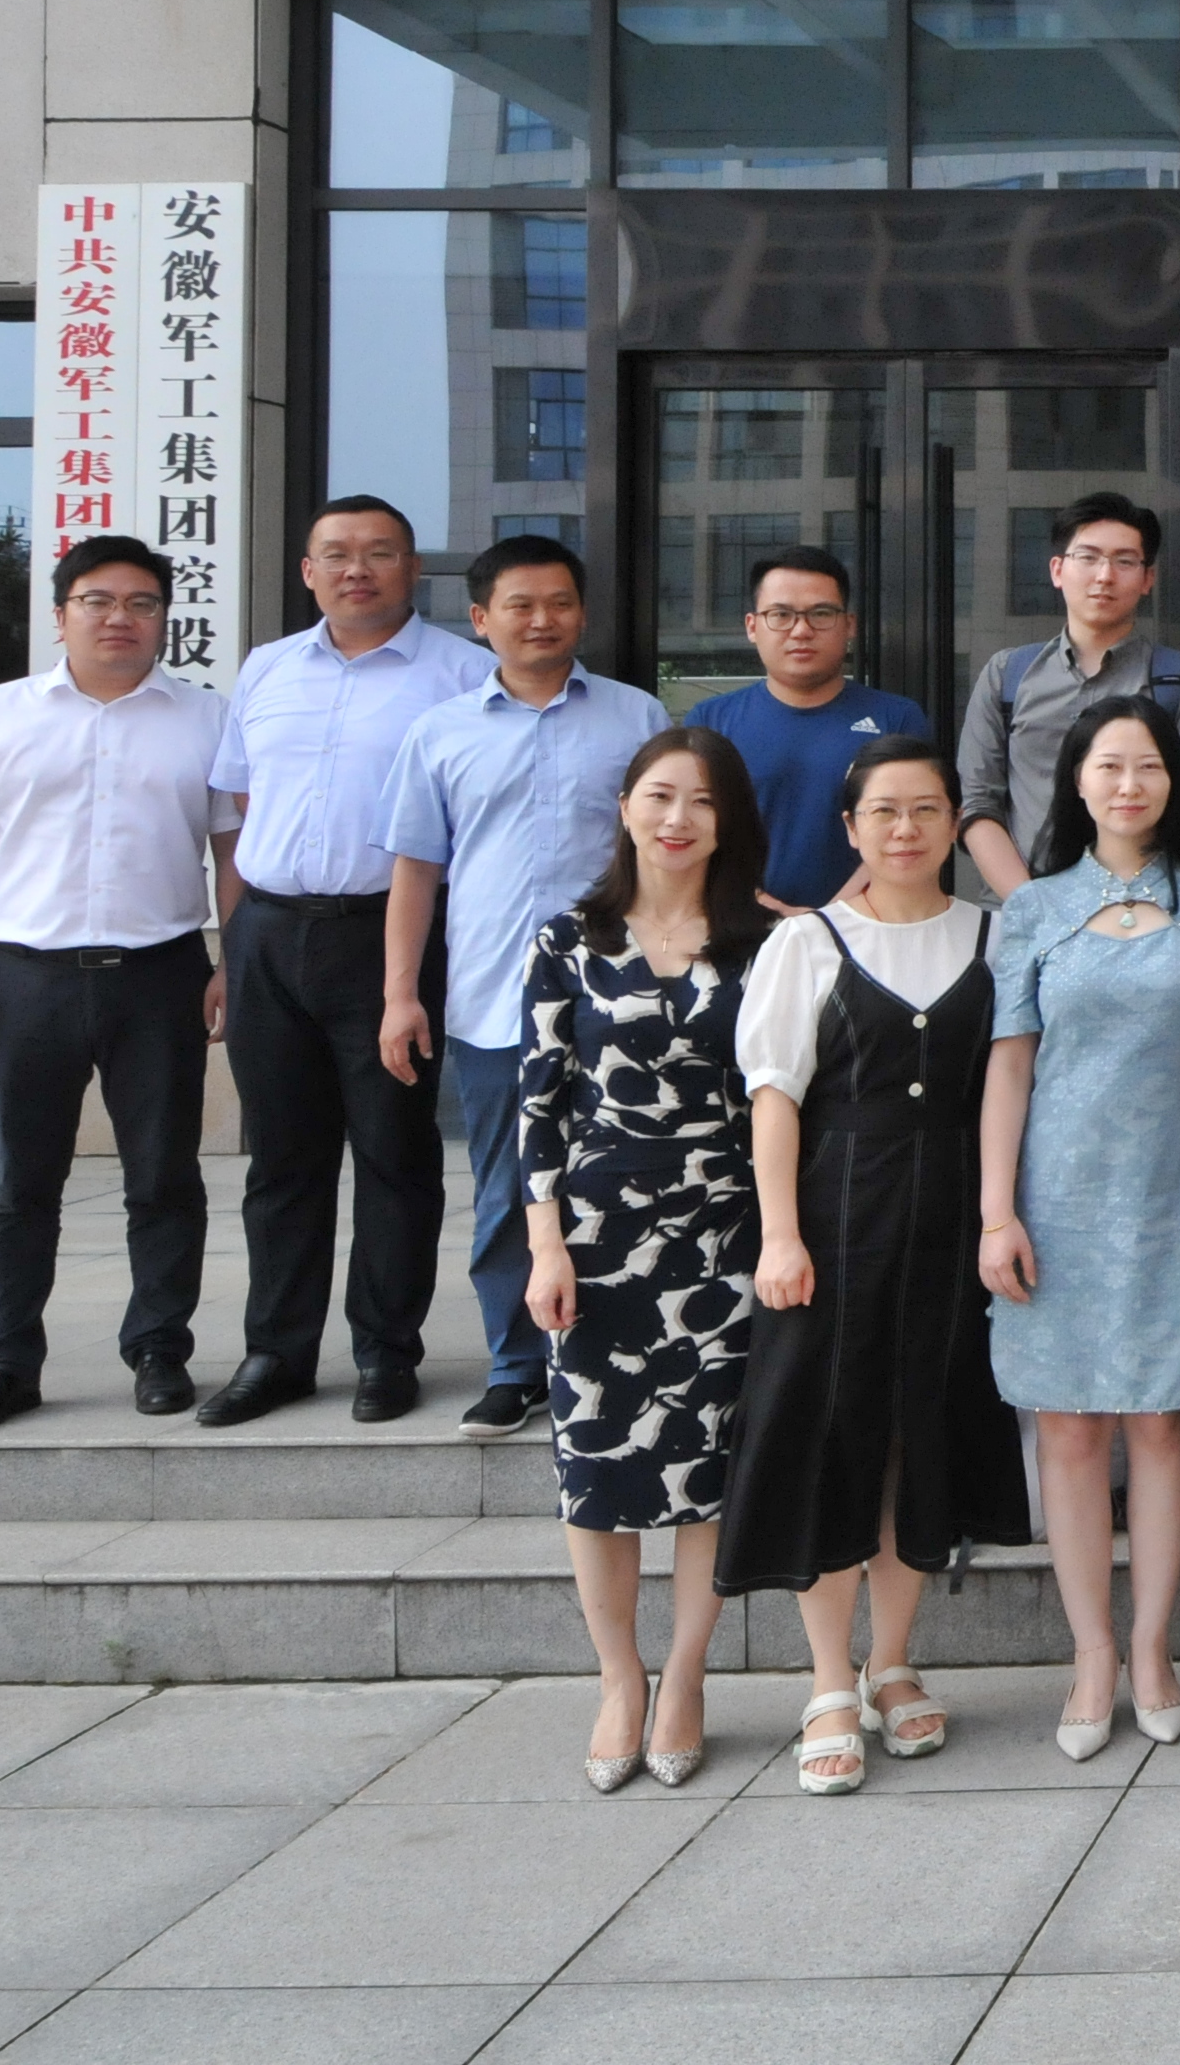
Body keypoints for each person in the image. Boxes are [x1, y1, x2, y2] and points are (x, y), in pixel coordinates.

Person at [719, 741, 1031, 1793]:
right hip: (833, 1223)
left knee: (919, 1439)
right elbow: (774, 1098)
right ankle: (826, 1681)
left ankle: (892, 1662)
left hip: (951, 1225)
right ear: (850, 828)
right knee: (830, 1437)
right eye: (885, 811)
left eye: (927, 809)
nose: (906, 829)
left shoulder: (993, 934)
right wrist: (779, 1235)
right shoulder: (806, 942)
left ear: (955, 826)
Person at [979, 699, 1180, 1758]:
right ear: (1077, 781)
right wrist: (996, 1211)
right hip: (1056, 1195)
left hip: (1179, 1191)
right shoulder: (1032, 907)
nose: (1129, 784)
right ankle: (1090, 1651)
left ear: (1173, 783)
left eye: (1148, 766)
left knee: (1161, 1420)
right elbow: (1009, 1067)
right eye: (1109, 766)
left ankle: (1151, 1647)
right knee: (1067, 1425)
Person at [0, 535, 237, 1441]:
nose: (120, 618)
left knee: (164, 1178)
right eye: (98, 601)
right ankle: (4, 1366)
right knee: (19, 1186)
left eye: (141, 603)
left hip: (160, 974)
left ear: (165, 618)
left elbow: (233, 852)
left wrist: (230, 964)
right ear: (61, 615)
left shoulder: (206, 719)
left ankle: (159, 1351)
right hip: (22, 978)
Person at [514, 725, 773, 1791]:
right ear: (625, 807)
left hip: (726, 1229)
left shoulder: (764, 941)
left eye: (702, 801)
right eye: (661, 796)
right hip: (597, 1237)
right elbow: (537, 1106)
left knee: (709, 1463)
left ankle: (686, 1676)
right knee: (597, 1465)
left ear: (727, 821)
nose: (678, 819)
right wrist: (545, 1247)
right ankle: (619, 1677)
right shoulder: (567, 939)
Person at [199, 495, 491, 1428]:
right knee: (281, 1160)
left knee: (393, 1153)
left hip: (390, 936)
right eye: (336, 554)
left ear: (414, 568)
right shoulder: (266, 667)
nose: (356, 569)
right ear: (308, 571)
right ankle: (276, 1353)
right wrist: (229, 946)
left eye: (379, 553)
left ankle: (385, 1353)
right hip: (269, 933)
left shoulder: (463, 675)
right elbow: (241, 811)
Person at [380, 535, 671, 1439]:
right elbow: (416, 870)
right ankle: (515, 1365)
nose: (541, 620)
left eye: (559, 603)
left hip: (619, 998)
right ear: (480, 619)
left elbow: (670, 851)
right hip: (493, 1000)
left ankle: (626, 1348)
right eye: (520, 605)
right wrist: (400, 993)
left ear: (582, 613)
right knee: (511, 1189)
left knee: (631, 1178)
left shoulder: (635, 717)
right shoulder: (440, 732)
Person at [959, 492, 1180, 902]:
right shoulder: (1007, 676)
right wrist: (1034, 906)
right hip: (1021, 910)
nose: (1105, 575)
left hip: (1143, 912)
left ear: (1147, 578)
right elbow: (977, 803)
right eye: (1088, 557)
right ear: (1058, 570)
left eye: (1124, 561)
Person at [691, 545, 927, 913]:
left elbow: (915, 827)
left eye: (821, 614)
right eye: (781, 615)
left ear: (849, 624)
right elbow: (693, 826)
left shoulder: (896, 719)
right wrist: (759, 904)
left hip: (868, 924)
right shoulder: (710, 721)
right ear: (752, 626)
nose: (801, 630)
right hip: (739, 921)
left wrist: (833, 916)